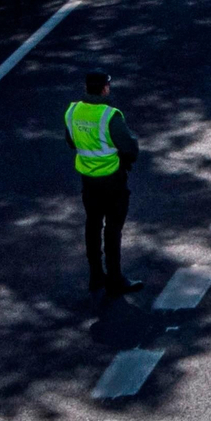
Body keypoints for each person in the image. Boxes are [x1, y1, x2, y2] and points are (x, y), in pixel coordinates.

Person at [64, 71, 143, 296]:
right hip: (112, 180)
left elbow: (70, 141)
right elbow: (130, 148)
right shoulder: (109, 116)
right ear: (105, 89)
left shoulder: (72, 111)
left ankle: (96, 275)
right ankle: (115, 278)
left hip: (88, 180)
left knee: (93, 224)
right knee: (113, 229)